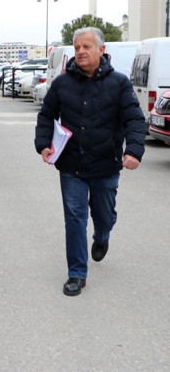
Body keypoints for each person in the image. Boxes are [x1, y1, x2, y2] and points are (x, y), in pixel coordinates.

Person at [34, 27, 144, 297]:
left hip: (106, 164)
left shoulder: (119, 83)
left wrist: (134, 149)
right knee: (74, 217)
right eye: (77, 47)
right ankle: (77, 273)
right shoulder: (62, 83)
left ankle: (102, 235)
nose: (80, 51)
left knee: (104, 215)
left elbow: (133, 118)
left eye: (86, 47)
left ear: (101, 50)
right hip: (71, 165)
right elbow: (46, 115)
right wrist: (43, 144)